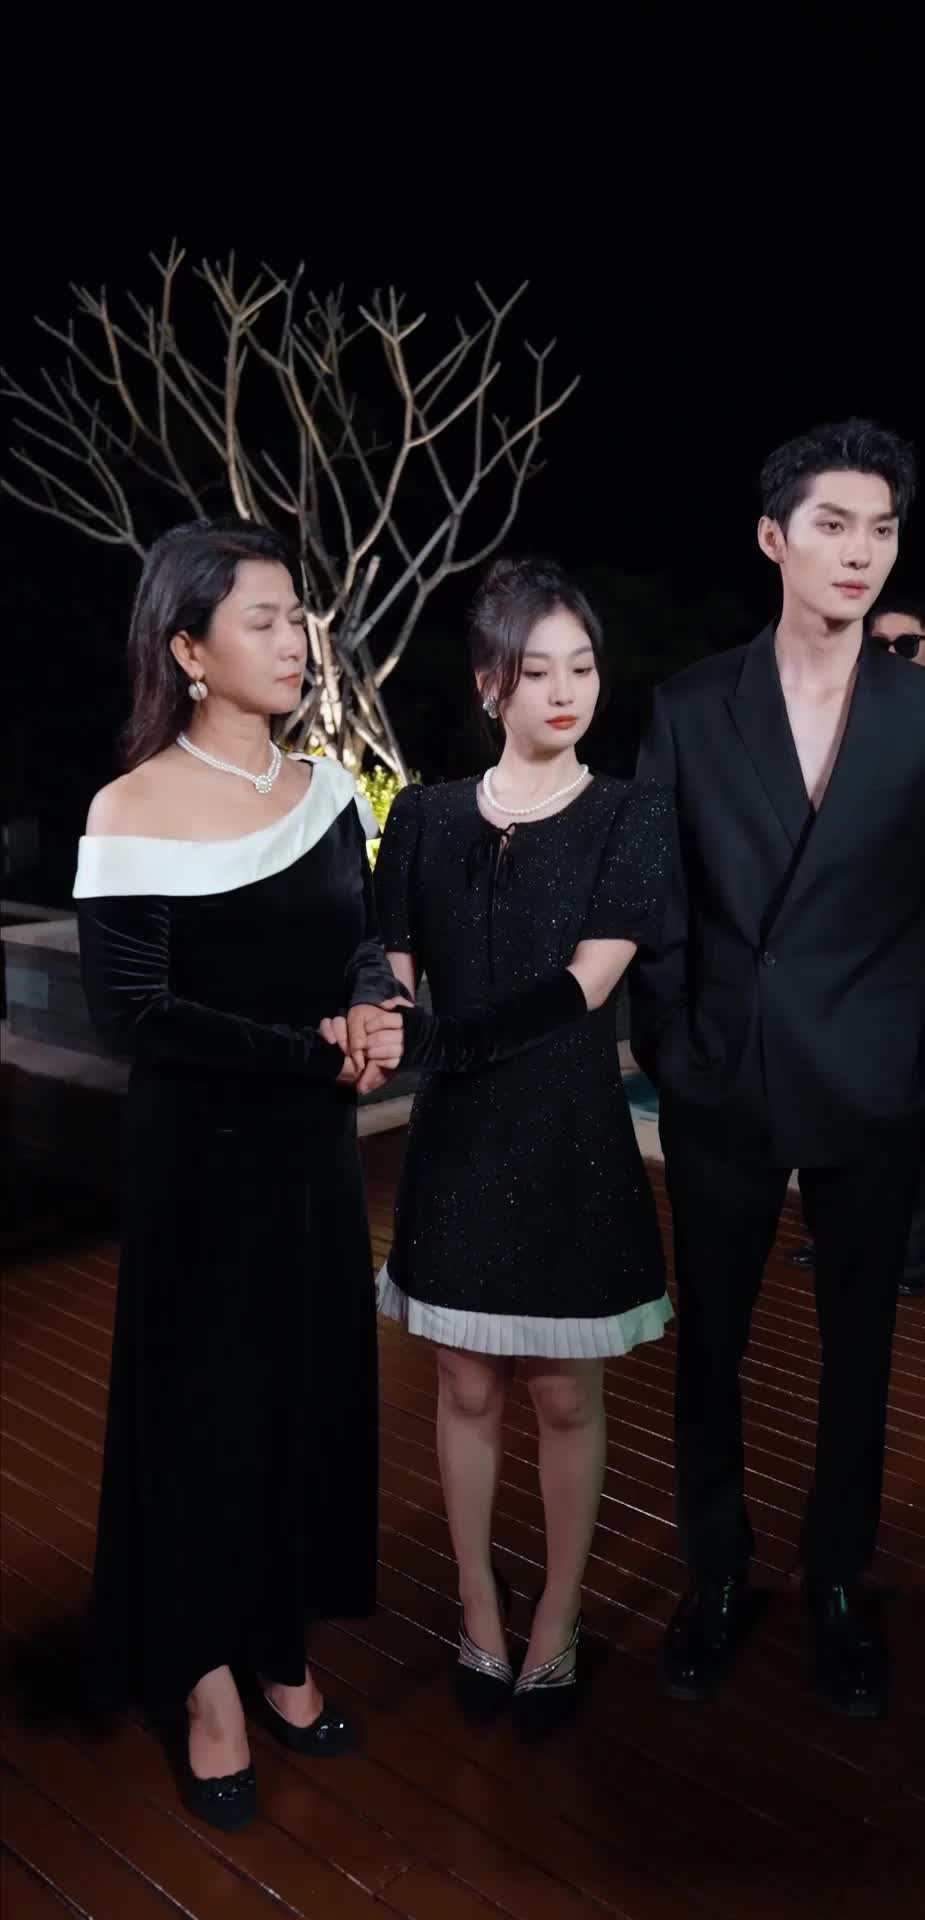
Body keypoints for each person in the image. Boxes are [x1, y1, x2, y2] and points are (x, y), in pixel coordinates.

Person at [630, 421, 925, 1716]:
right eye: (833, 525)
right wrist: (673, 1044)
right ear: (773, 537)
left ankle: (838, 1579)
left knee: (860, 1349)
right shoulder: (689, 706)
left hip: (875, 1078)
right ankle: (716, 1573)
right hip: (724, 1074)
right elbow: (659, 898)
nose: (860, 551)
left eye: (881, 528)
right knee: (710, 1343)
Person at [74, 518, 402, 1831]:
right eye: (262, 619)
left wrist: (373, 1009)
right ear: (189, 650)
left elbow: (362, 943)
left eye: (296, 614)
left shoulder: (326, 790)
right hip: (199, 1167)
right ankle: (200, 1673)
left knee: (302, 1398)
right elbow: (134, 1016)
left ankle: (277, 1644)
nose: (294, 639)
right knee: (204, 1412)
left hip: (312, 1162)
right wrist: (310, 1053)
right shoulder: (130, 808)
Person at [349, 556, 673, 1740]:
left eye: (582, 667)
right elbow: (388, 957)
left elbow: (587, 985)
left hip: (570, 1137)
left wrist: (433, 1039)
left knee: (565, 1395)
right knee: (464, 1383)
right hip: (458, 1144)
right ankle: (480, 1610)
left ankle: (559, 1620)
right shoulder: (424, 817)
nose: (567, 691)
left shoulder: (630, 812)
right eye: (539, 671)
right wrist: (377, 1012)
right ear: (490, 682)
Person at [790, 588, 925, 1295]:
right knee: (827, 1103)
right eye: (876, 644)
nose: (888, 656)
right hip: (838, 955)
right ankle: (828, 1235)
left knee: (915, 1118)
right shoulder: (839, 720)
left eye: (904, 646)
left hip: (912, 961)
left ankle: (911, 1258)